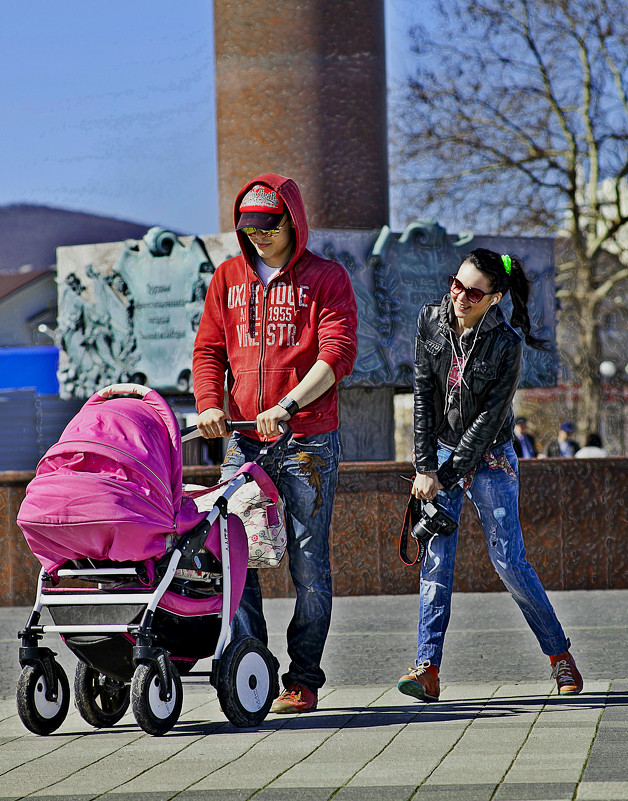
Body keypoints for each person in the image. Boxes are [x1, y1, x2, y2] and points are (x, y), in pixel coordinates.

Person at [192, 174, 358, 715]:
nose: (258, 236)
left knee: (308, 561)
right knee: (237, 557)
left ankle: (304, 678)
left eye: (269, 225)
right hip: (242, 442)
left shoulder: (327, 279)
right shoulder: (227, 279)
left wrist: (287, 405)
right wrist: (209, 403)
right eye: (249, 227)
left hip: (308, 441)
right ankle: (252, 667)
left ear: (293, 221)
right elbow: (208, 351)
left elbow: (337, 354)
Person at [397, 248, 583, 702]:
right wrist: (425, 466)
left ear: (494, 298)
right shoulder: (430, 321)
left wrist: (445, 473)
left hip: (491, 457)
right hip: (439, 453)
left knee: (510, 561)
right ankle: (427, 669)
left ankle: (560, 656)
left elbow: (487, 421)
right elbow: (422, 394)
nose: (460, 296)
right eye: (456, 285)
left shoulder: (506, 344)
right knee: (436, 561)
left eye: (474, 292)